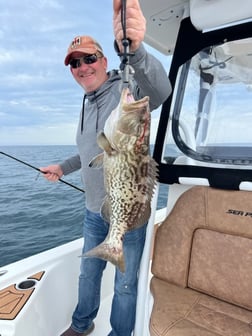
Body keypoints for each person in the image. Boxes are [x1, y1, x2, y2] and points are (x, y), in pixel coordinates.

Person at [41, 1, 171, 335]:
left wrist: (137, 51)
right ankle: (82, 324)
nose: (83, 67)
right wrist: (63, 167)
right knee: (88, 275)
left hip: (130, 210)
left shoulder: (125, 90)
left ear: (104, 60)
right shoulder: (86, 103)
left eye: (89, 59)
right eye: (75, 63)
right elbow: (91, 151)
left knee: (126, 285)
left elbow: (159, 92)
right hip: (93, 212)